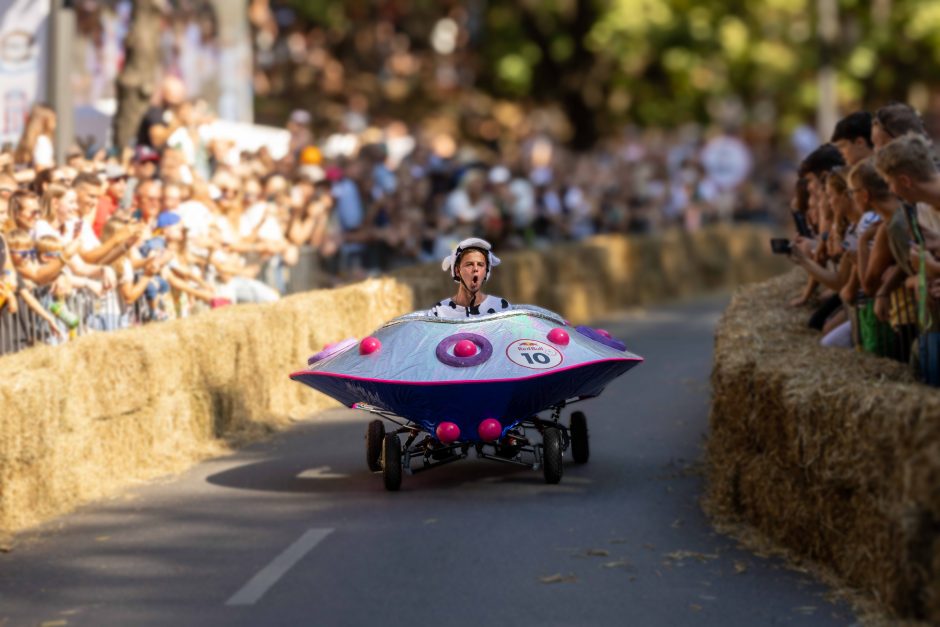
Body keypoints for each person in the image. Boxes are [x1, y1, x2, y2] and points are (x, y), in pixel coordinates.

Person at [430, 237, 510, 319]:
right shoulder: (439, 312)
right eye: (469, 264)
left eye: (480, 264)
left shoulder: (501, 308)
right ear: (457, 271)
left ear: (486, 271)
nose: (475, 269)